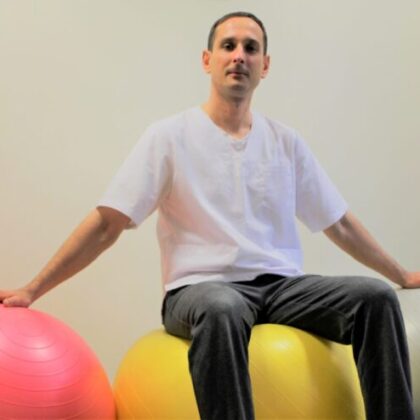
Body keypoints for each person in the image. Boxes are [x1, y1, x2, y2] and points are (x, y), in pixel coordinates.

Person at [0, 11, 418, 420]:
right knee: (222, 306)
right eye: (228, 46)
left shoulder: (285, 142)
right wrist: (34, 289)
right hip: (198, 290)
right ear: (207, 60)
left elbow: (339, 222)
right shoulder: (168, 137)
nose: (239, 56)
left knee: (374, 298)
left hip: (281, 289)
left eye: (250, 48)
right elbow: (108, 223)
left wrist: (400, 275)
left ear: (264, 65)